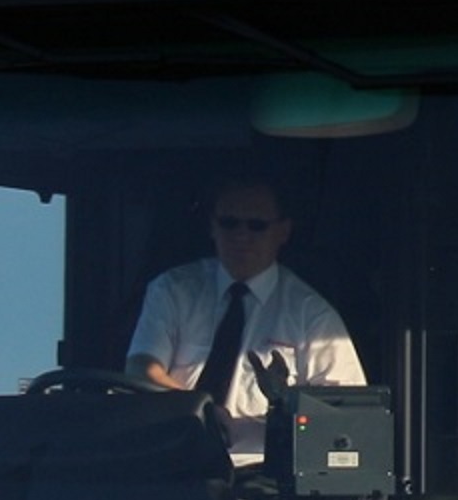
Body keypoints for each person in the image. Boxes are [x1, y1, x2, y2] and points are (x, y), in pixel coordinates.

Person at [125, 176, 364, 465]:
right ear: (211, 226)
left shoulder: (312, 315)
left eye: (256, 226)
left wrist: (284, 402)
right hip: (172, 465)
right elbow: (140, 370)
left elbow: (346, 413)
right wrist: (201, 410)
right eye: (229, 223)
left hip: (264, 484)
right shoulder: (173, 290)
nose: (241, 236)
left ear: (283, 231)